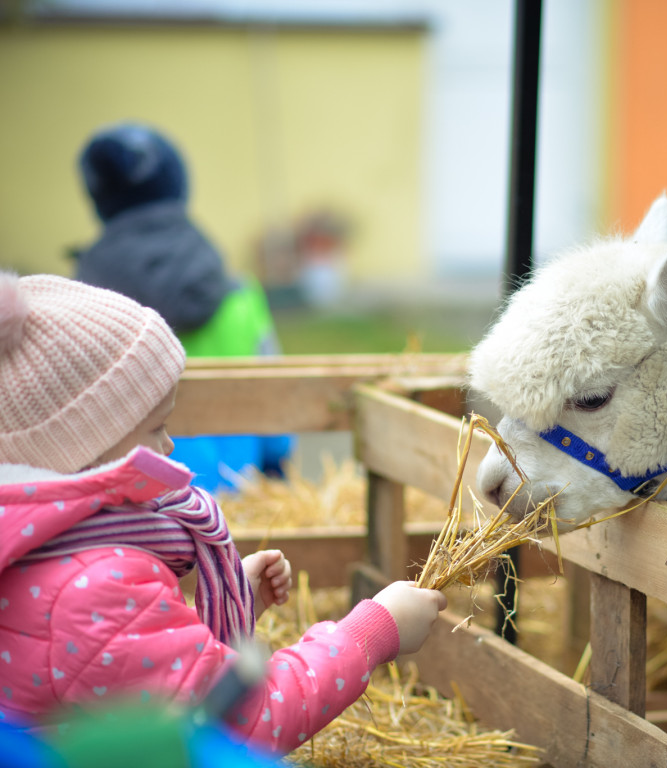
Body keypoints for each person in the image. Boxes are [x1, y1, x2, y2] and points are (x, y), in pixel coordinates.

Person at [0, 272, 447, 756]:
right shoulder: (100, 587)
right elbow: (243, 725)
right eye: (156, 427)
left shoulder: (41, 550)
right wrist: (372, 633)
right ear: (86, 446)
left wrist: (231, 605)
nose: (170, 447)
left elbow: (129, 671)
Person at [73, 121, 291, 493]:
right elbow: (278, 429)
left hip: (131, 510)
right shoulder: (239, 295)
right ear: (179, 186)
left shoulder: (79, 308)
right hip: (237, 498)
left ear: (98, 198)